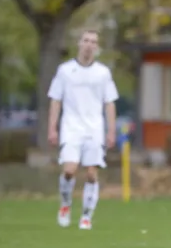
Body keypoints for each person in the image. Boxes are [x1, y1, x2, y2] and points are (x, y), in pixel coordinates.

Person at [47, 30, 119, 230]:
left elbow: (109, 103)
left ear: (97, 47)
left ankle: (86, 215)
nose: (89, 44)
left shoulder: (103, 73)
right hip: (71, 126)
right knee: (69, 170)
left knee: (91, 174)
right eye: (86, 40)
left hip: (94, 128)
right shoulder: (65, 70)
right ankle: (65, 204)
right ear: (79, 43)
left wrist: (111, 130)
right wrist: (52, 128)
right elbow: (55, 99)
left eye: (93, 42)